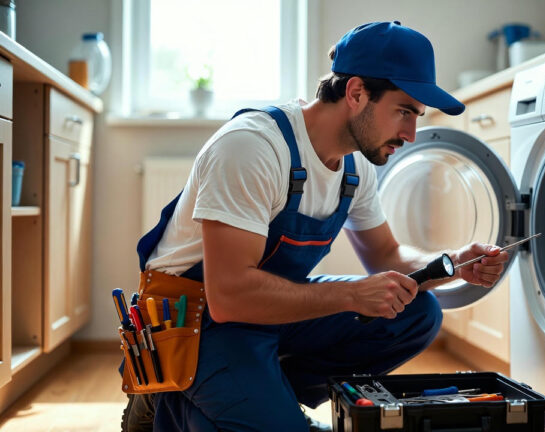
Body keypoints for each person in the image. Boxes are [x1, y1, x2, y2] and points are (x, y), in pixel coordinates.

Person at [122, 21, 510, 431]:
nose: (411, 134)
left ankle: (261, 396)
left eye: (417, 116)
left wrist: (452, 263)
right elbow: (229, 295)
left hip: (268, 311)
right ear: (356, 93)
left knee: (417, 311)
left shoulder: (355, 166)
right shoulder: (252, 147)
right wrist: (351, 295)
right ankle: (169, 401)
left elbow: (387, 255)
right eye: (404, 112)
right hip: (196, 321)